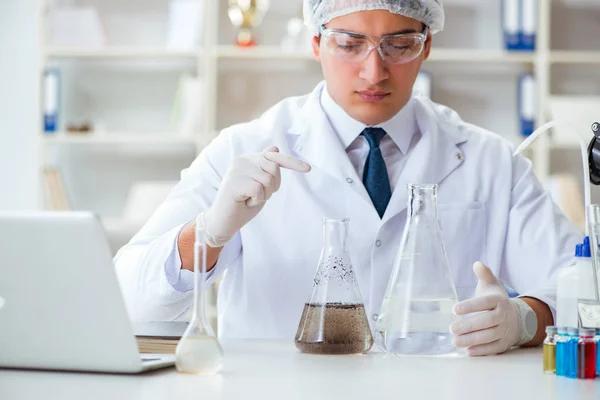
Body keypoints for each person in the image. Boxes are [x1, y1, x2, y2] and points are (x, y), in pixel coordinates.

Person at [114, 0, 581, 356]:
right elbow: (130, 304)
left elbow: (580, 290)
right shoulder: (242, 149)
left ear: (427, 45)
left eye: (399, 44)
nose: (374, 70)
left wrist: (525, 320)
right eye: (349, 43)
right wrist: (210, 233)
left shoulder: (489, 160)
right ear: (316, 42)